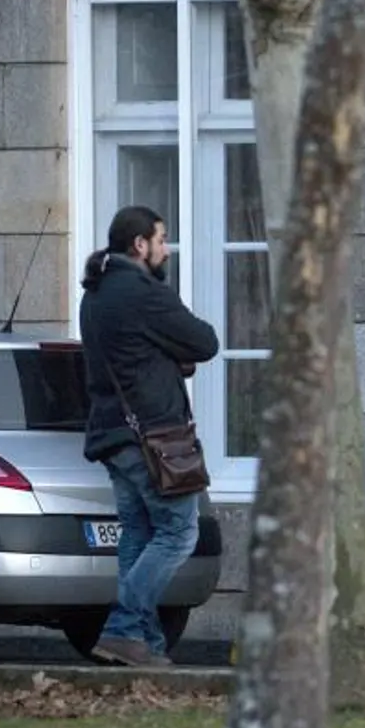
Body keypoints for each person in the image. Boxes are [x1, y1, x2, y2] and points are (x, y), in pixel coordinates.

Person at [79, 205, 220, 667]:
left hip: (113, 433)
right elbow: (203, 341)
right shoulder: (141, 292)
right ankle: (122, 628)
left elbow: (132, 353)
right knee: (179, 533)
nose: (166, 248)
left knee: (138, 534)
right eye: (161, 240)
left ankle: (145, 644)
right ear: (139, 245)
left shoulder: (95, 292)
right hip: (152, 435)